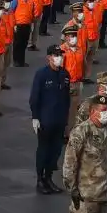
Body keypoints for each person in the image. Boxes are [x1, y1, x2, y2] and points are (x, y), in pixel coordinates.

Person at [30, 42, 72, 193]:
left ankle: (49, 177)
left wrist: (66, 121)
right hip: (45, 120)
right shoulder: (41, 74)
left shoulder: (65, 75)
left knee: (56, 151)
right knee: (43, 150)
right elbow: (35, 97)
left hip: (59, 120)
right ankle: (40, 179)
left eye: (60, 55)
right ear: (49, 57)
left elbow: (67, 99)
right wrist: (35, 117)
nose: (59, 58)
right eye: (56, 55)